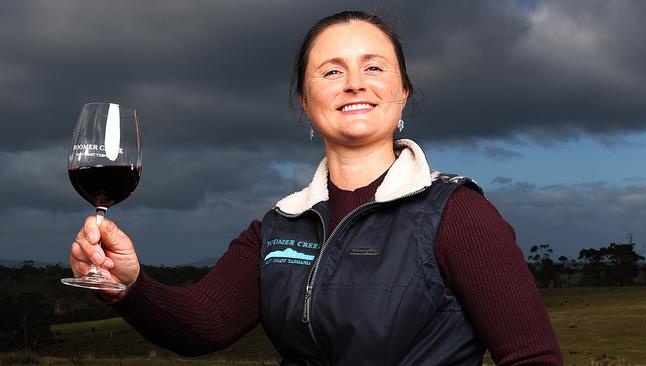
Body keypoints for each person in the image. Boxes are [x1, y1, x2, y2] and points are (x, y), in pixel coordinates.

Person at [69, 11, 563, 365]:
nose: (354, 84)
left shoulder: (457, 213)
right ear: (306, 102)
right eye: (331, 71)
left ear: (402, 93)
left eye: (373, 67)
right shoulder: (278, 226)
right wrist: (125, 284)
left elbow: (533, 356)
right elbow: (202, 325)